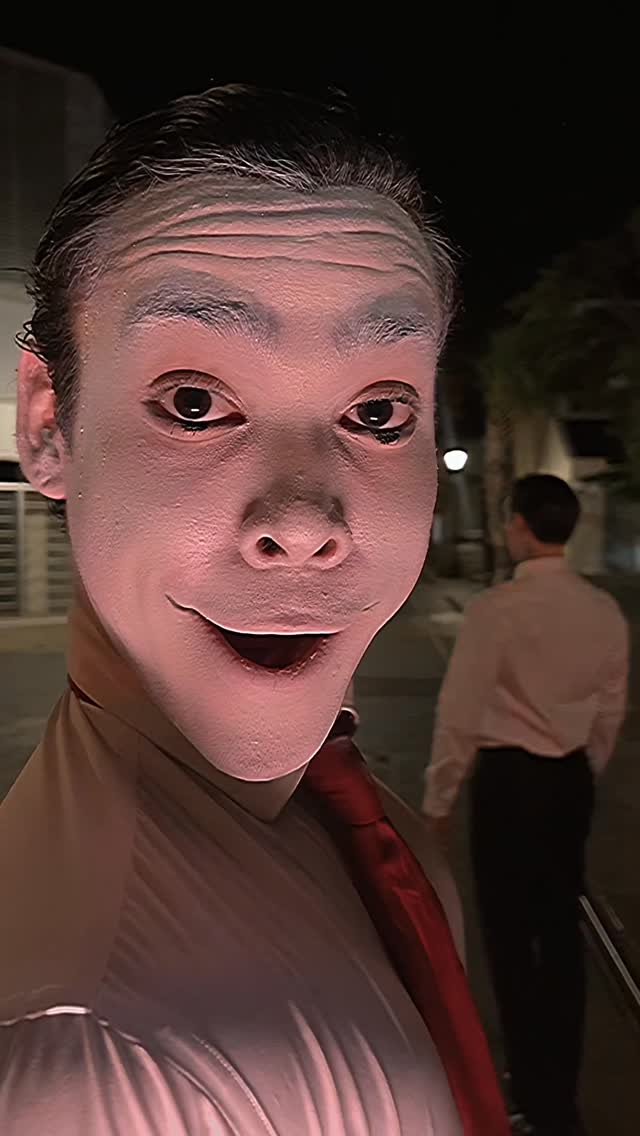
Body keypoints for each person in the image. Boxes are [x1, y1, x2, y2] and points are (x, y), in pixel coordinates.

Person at [0, 87, 510, 1134]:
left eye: (377, 412)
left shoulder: (364, 823)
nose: (304, 521)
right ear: (49, 427)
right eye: (194, 403)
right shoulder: (95, 1057)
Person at [422, 474, 630, 1136]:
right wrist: (583, 772)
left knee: (510, 938)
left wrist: (439, 798)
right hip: (568, 780)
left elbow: (460, 710)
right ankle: (559, 1094)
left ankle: (530, 1093)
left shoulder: (497, 610)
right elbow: (609, 708)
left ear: (518, 525)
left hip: (508, 783)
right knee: (562, 934)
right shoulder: (603, 611)